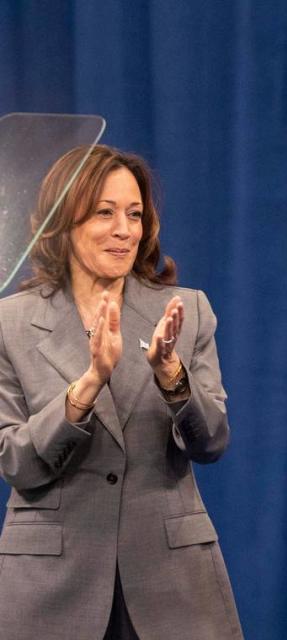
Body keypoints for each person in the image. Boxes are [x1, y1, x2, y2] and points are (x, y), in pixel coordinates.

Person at [0, 145, 243, 639]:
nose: (124, 230)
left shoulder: (186, 310)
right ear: (62, 222)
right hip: (53, 587)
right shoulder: (11, 323)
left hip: (171, 587)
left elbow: (212, 442)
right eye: (104, 213)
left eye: (134, 214)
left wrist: (171, 375)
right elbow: (15, 462)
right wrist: (86, 387)